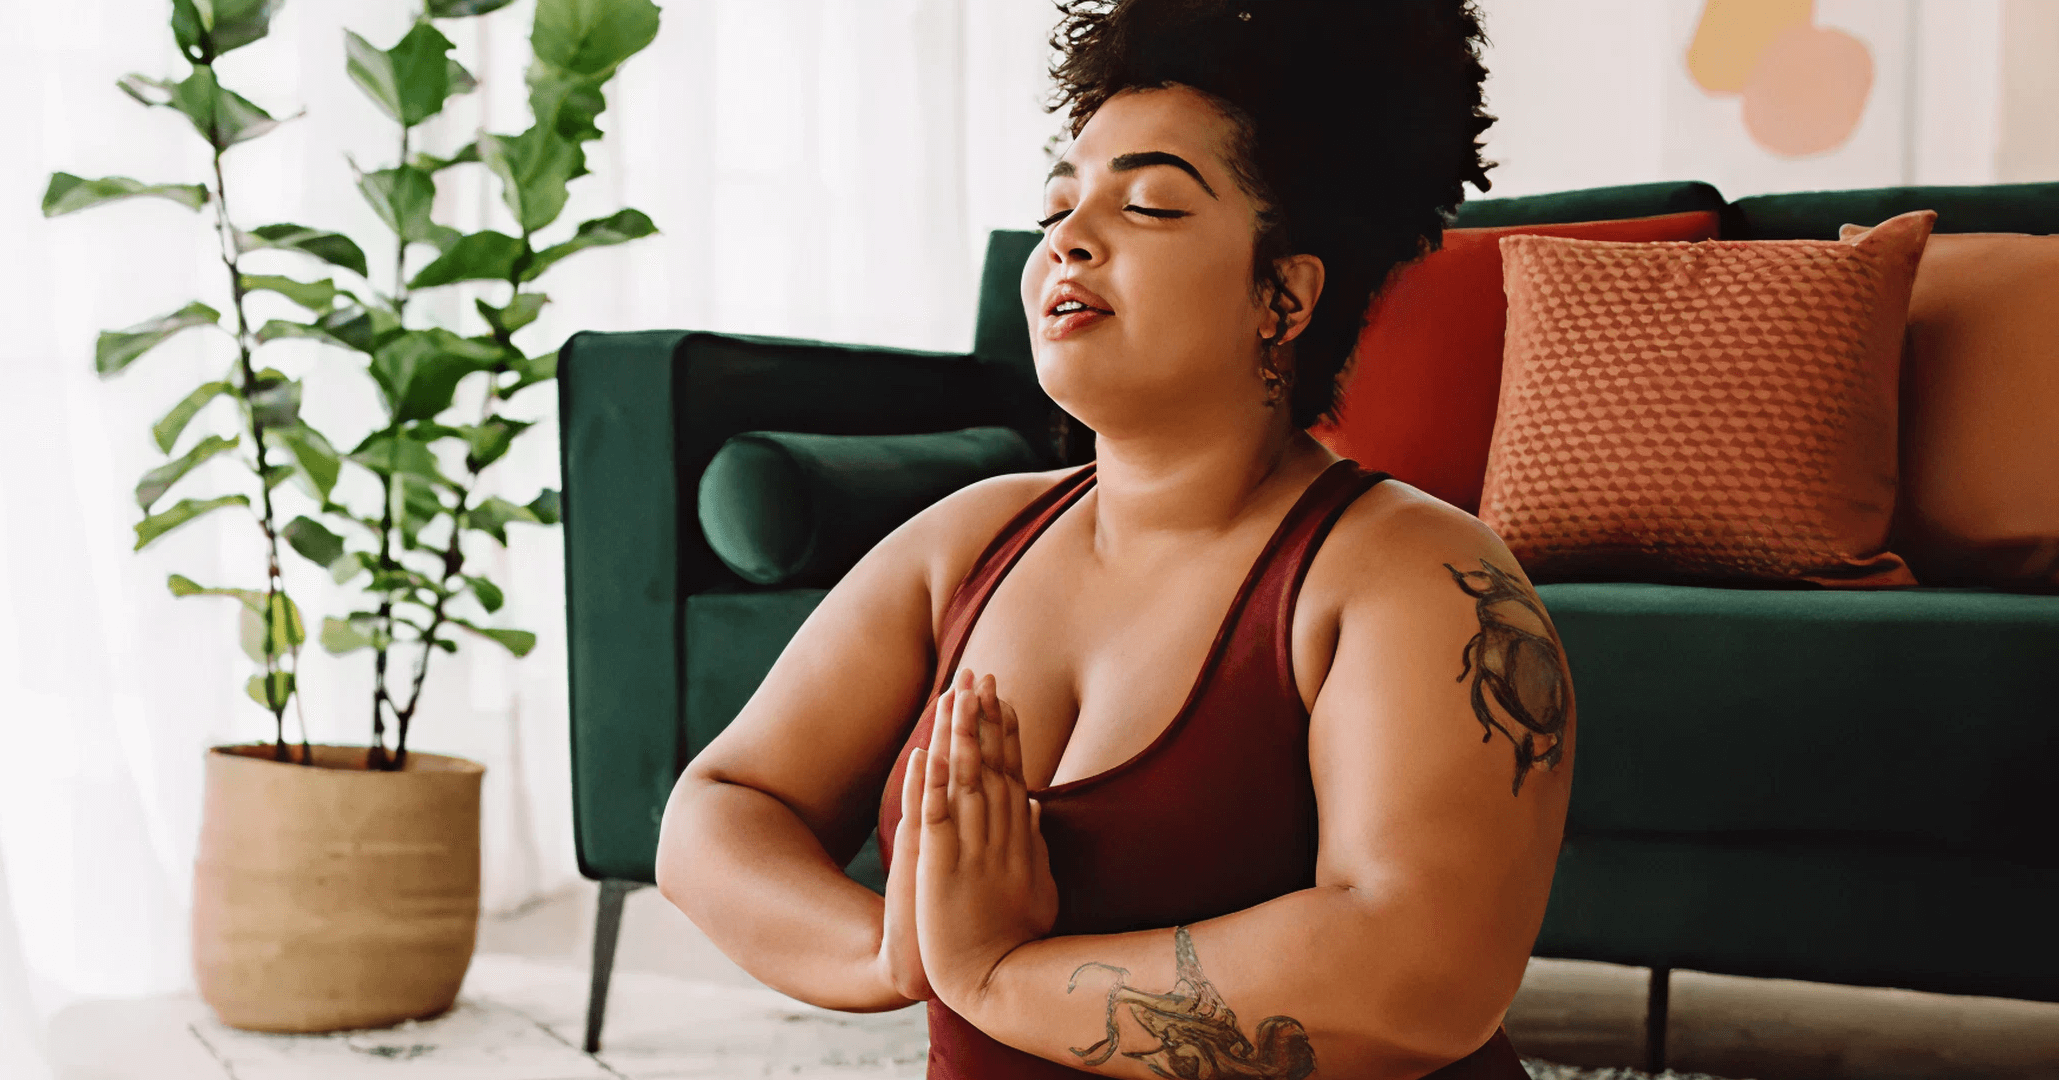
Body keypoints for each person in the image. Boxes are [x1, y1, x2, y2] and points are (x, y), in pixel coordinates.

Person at [656, 2, 1574, 1076]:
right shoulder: (967, 539)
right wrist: (898, 958)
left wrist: (999, 976)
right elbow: (721, 809)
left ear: (1282, 294)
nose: (1069, 238)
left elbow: (1424, 973)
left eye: (1148, 205)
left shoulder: (1419, 577)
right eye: (1059, 203)